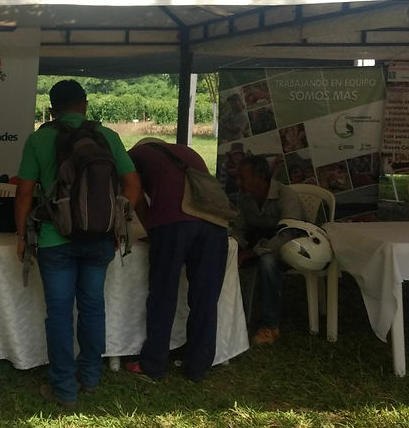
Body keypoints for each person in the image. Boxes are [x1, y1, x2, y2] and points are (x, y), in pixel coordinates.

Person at [14, 80, 142, 409]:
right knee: (93, 307)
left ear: (52, 110)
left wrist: (21, 236)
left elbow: (24, 193)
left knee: (59, 313)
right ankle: (91, 377)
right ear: (85, 105)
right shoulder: (107, 137)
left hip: (54, 239)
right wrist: (118, 221)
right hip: (100, 237)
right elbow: (132, 183)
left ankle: (64, 389)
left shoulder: (39, 139)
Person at [124, 139, 229, 382]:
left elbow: (135, 195)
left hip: (173, 222)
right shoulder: (189, 152)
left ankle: (153, 365)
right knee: (205, 296)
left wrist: (153, 231)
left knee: (163, 293)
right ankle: (197, 366)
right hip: (215, 223)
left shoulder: (135, 154)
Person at [233, 155, 305, 345]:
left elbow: (287, 235)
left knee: (268, 261)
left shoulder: (286, 195)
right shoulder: (244, 196)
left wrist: (249, 254)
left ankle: (270, 326)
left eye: (242, 178)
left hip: (290, 248)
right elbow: (239, 229)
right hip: (258, 242)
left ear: (260, 178)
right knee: (227, 257)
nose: (238, 183)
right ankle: (234, 318)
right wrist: (232, 248)